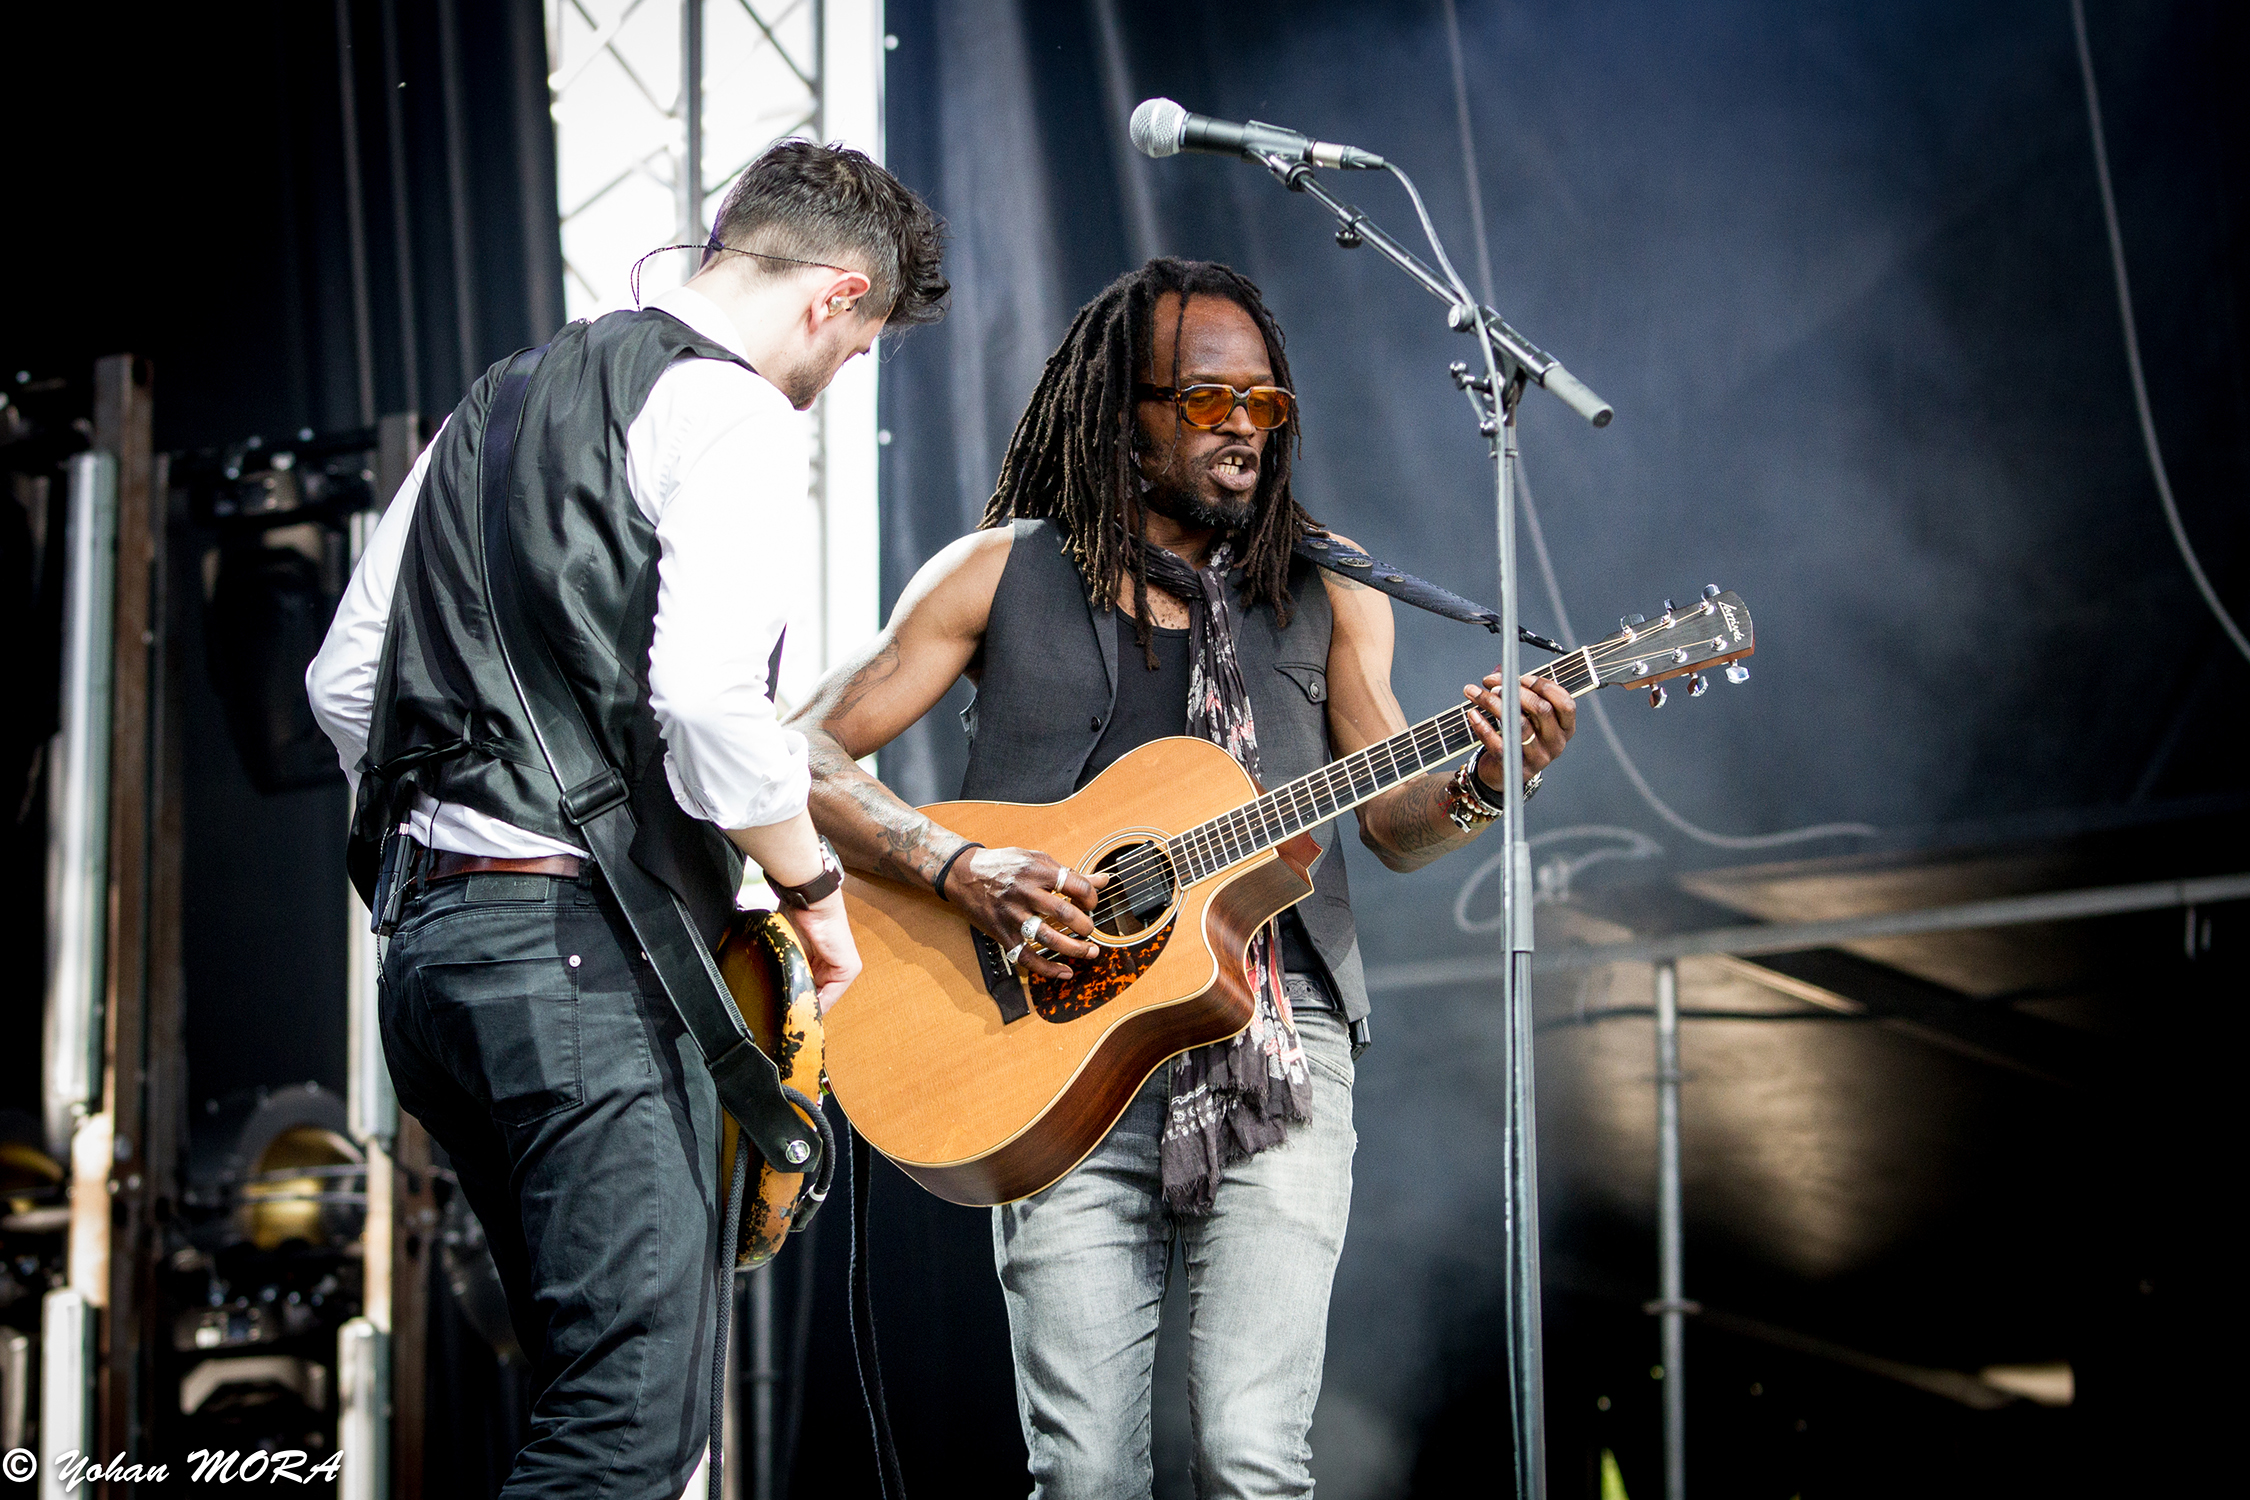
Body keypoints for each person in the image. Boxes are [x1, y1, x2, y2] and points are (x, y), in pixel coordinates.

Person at [788, 256, 1575, 1497]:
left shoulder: (1331, 583)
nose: (1246, 429)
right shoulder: (996, 573)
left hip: (1279, 1034)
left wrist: (1481, 780)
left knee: (1254, 1455)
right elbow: (798, 752)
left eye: (1267, 404)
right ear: (1126, 414)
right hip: (1039, 1045)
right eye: (1210, 401)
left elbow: (1391, 822)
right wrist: (960, 865)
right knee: (1084, 1471)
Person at [306, 139, 945, 1498]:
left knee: (588, 1404)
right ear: (838, 296)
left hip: (432, 966)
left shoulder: (493, 403)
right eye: (861, 348)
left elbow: (345, 682)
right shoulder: (733, 415)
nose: (841, 377)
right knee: (632, 1429)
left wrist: (466, 842)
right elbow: (708, 707)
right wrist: (814, 895)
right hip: (578, 967)